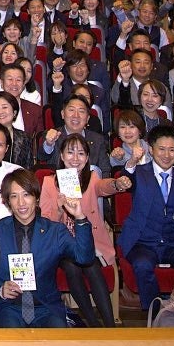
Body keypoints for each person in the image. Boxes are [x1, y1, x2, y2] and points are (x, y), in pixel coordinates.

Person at [0, 170, 97, 328]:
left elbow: (85, 258)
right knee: (10, 335)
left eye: (26, 195)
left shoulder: (55, 231)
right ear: (8, 202)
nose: (21, 203)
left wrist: (80, 217)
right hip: (7, 307)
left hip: (46, 307)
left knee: (57, 336)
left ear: (36, 198)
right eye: (14, 196)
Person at [37, 132, 121, 327]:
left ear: (87, 157)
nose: (75, 158)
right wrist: (60, 208)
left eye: (81, 153)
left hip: (88, 242)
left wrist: (116, 184)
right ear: (61, 155)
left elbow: (103, 187)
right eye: (70, 152)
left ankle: (110, 327)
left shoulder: (92, 178)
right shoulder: (49, 182)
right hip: (61, 245)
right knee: (71, 266)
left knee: (90, 264)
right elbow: (45, 222)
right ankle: (93, 324)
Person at [117, 126, 174, 313]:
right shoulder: (139, 173)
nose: (166, 155)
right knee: (142, 265)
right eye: (161, 149)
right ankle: (154, 314)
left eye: (172, 150)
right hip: (142, 243)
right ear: (151, 149)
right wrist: (131, 162)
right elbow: (125, 178)